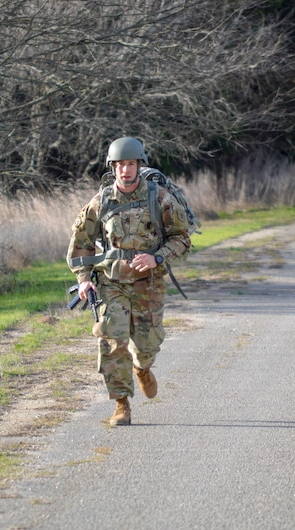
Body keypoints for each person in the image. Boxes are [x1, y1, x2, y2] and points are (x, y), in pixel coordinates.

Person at [67, 137, 191, 426]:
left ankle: (142, 367)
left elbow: (182, 238)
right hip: (112, 283)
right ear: (113, 167)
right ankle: (121, 405)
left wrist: (156, 258)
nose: (125, 170)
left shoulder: (159, 198)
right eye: (120, 165)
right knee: (112, 342)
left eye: (131, 164)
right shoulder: (101, 202)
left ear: (139, 165)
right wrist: (84, 279)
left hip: (148, 282)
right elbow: (81, 242)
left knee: (148, 345)